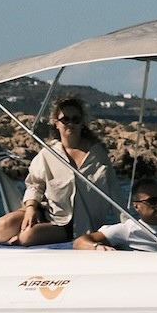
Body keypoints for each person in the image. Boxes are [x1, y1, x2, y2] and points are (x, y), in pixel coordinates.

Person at [24, 95, 117, 237]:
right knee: (5, 223)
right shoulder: (48, 153)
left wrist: (128, 229)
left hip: (84, 228)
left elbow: (114, 193)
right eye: (65, 119)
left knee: (27, 237)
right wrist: (30, 208)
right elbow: (34, 185)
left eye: (75, 119)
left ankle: (15, 241)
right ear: (56, 123)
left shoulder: (98, 155)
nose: (70, 124)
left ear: (82, 123)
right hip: (52, 217)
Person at [74, 175, 157, 256]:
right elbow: (80, 242)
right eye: (152, 201)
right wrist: (97, 248)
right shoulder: (127, 230)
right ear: (136, 206)